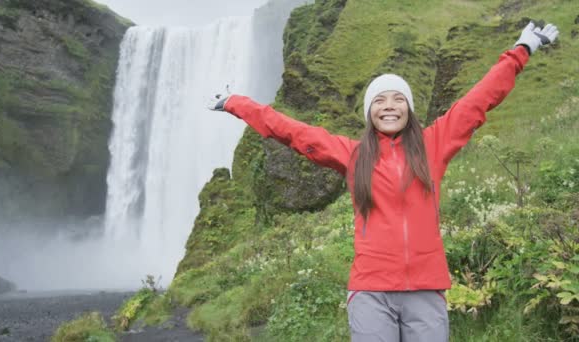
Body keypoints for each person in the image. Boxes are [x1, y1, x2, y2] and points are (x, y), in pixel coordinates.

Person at [208, 22, 558, 342]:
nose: (389, 106)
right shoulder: (353, 154)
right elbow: (292, 132)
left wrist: (522, 48)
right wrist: (238, 103)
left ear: (409, 108)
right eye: (379, 100)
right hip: (371, 291)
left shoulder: (434, 145)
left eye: (398, 99)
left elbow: (479, 100)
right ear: (369, 112)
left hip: (426, 289)